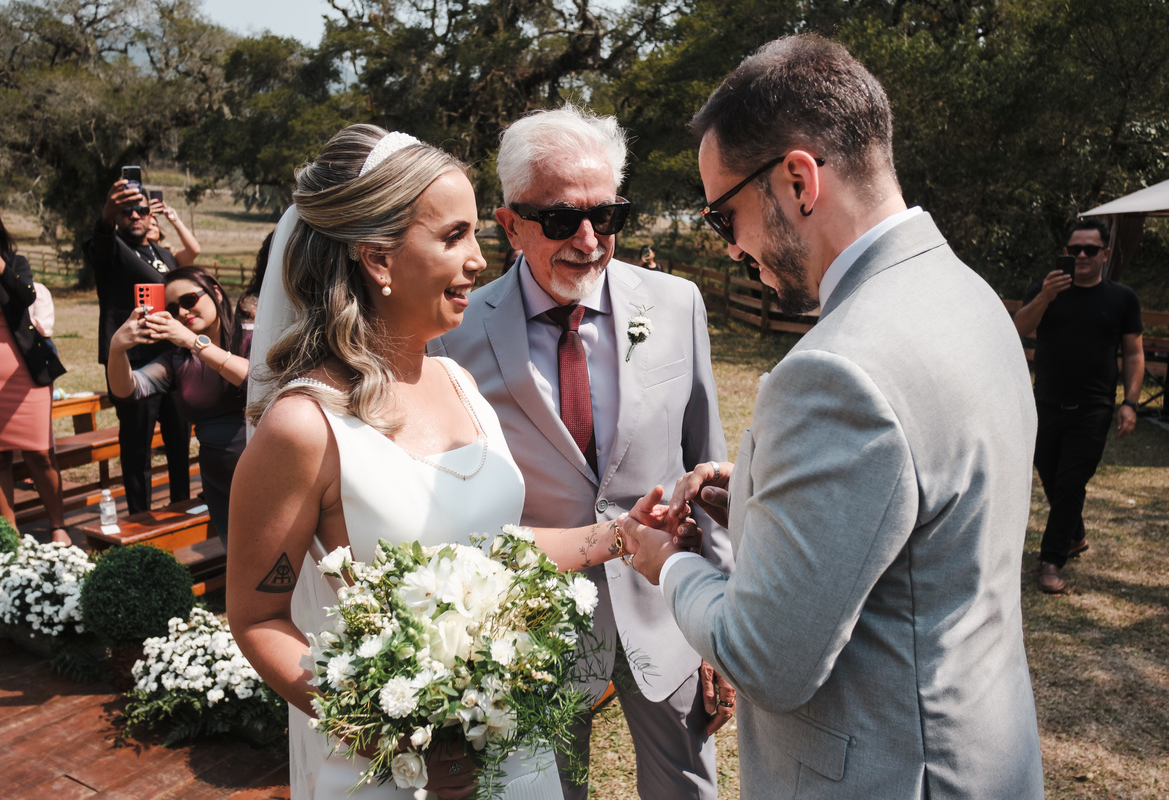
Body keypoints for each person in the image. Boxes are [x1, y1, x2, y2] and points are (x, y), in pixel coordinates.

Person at [620, 35, 1044, 799]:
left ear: (797, 179)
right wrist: (758, 485)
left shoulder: (834, 371)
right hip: (985, 754)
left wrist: (667, 562)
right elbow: (914, 506)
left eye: (725, 217)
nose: (736, 248)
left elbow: (764, 659)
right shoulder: (971, 297)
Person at [227, 124, 687, 800]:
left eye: (476, 234)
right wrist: (397, 730)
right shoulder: (305, 426)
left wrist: (619, 536)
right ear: (378, 260)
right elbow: (258, 619)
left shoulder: (458, 384)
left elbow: (489, 549)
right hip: (395, 772)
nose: (478, 260)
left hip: (512, 753)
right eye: (453, 237)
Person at [434, 105, 735, 800]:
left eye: (610, 215)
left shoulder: (678, 304)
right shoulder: (452, 338)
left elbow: (708, 467)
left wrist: (722, 624)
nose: (591, 240)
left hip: (669, 612)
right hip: (533, 636)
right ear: (509, 224)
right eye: (563, 220)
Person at [1013, 218, 1144, 594]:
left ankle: (1051, 561)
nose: (1081, 256)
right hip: (1046, 403)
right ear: (1066, 253)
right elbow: (1018, 328)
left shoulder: (1122, 299)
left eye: (1090, 249)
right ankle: (1076, 535)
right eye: (1074, 250)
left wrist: (1130, 403)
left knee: (1071, 483)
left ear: (1105, 254)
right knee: (1053, 479)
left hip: (1094, 407)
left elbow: (1134, 353)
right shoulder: (1046, 289)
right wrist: (1045, 297)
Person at [107, 266, 250, 541]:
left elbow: (256, 378)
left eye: (188, 301)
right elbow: (128, 389)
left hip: (268, 471)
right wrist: (117, 349)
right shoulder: (179, 360)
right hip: (219, 481)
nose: (182, 313)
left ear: (216, 293)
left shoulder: (252, 335)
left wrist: (195, 343)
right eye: (172, 309)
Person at [84, 176, 192, 514]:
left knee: (179, 441)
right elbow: (98, 244)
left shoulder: (163, 254)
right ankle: (140, 518)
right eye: (127, 211)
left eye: (141, 210)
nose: (135, 215)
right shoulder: (112, 249)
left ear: (151, 216)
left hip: (171, 355)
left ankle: (181, 509)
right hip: (131, 361)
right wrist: (106, 212)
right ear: (117, 216)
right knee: (136, 445)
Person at [0, 200, 69, 543]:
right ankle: (8, 535)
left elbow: (25, 296)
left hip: (23, 373)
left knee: (40, 452)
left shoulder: (13, 263)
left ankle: (58, 526)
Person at [146, 198, 202, 267]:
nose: (150, 227)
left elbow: (194, 250)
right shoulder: (133, 252)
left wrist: (175, 221)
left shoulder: (168, 255)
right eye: (146, 225)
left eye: (153, 225)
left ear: (159, 232)